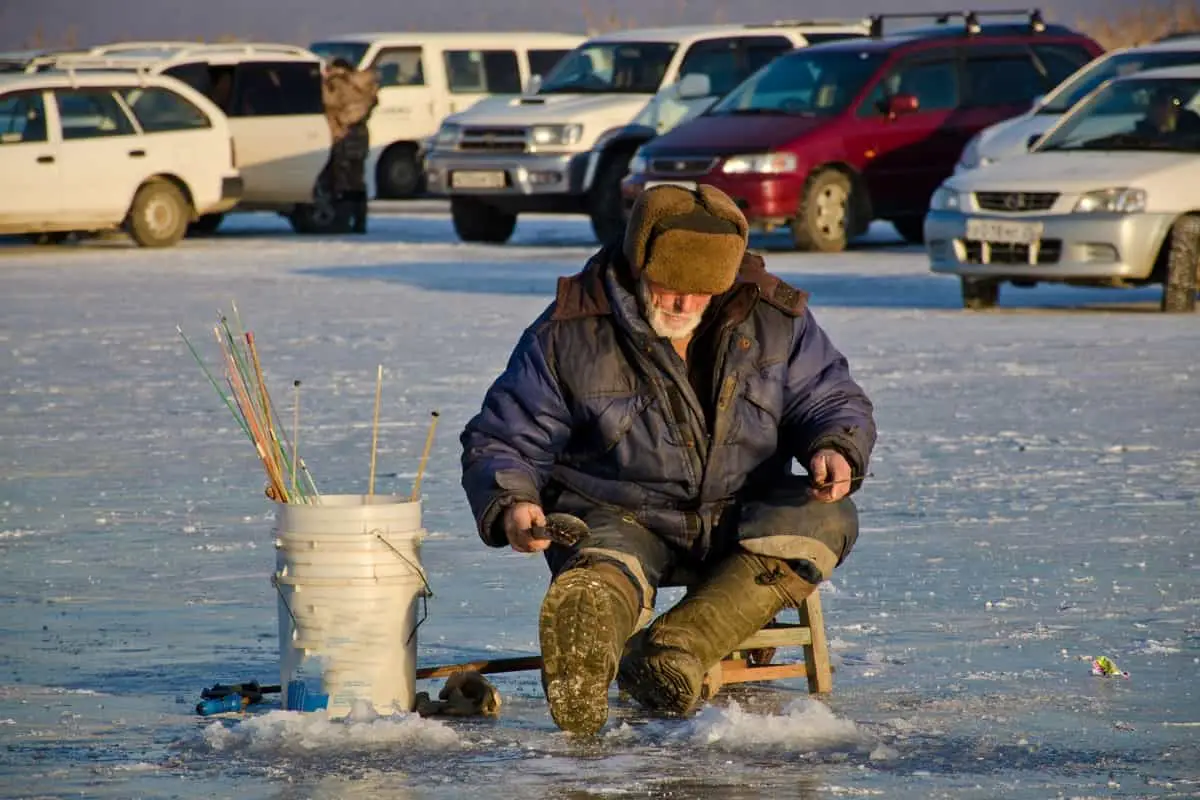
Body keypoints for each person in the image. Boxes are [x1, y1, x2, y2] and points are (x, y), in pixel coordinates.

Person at [460, 185, 876, 735]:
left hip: (743, 513)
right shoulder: (568, 332)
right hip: (619, 512)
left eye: (700, 293)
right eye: (668, 288)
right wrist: (513, 501)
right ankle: (586, 645)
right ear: (637, 266)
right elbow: (504, 436)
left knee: (827, 520)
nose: (682, 304)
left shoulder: (776, 317)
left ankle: (672, 654)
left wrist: (834, 446)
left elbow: (829, 398)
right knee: (600, 569)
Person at [320, 57, 379, 234]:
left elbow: (328, 102)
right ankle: (360, 222)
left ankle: (343, 222)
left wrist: (325, 82)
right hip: (359, 138)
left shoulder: (338, 84)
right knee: (357, 181)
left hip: (343, 137)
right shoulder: (361, 86)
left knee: (342, 181)